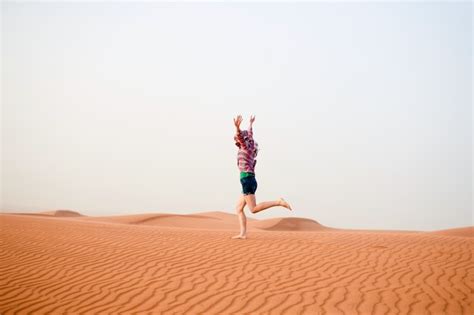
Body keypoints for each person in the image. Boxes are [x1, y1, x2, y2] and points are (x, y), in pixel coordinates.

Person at [231, 115, 292, 240]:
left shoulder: (245, 147)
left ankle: (278, 202)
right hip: (248, 180)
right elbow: (249, 135)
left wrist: (237, 128)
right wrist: (250, 124)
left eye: (237, 139)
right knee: (238, 208)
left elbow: (242, 138)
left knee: (253, 209)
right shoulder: (250, 145)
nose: (236, 140)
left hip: (247, 180)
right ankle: (242, 234)